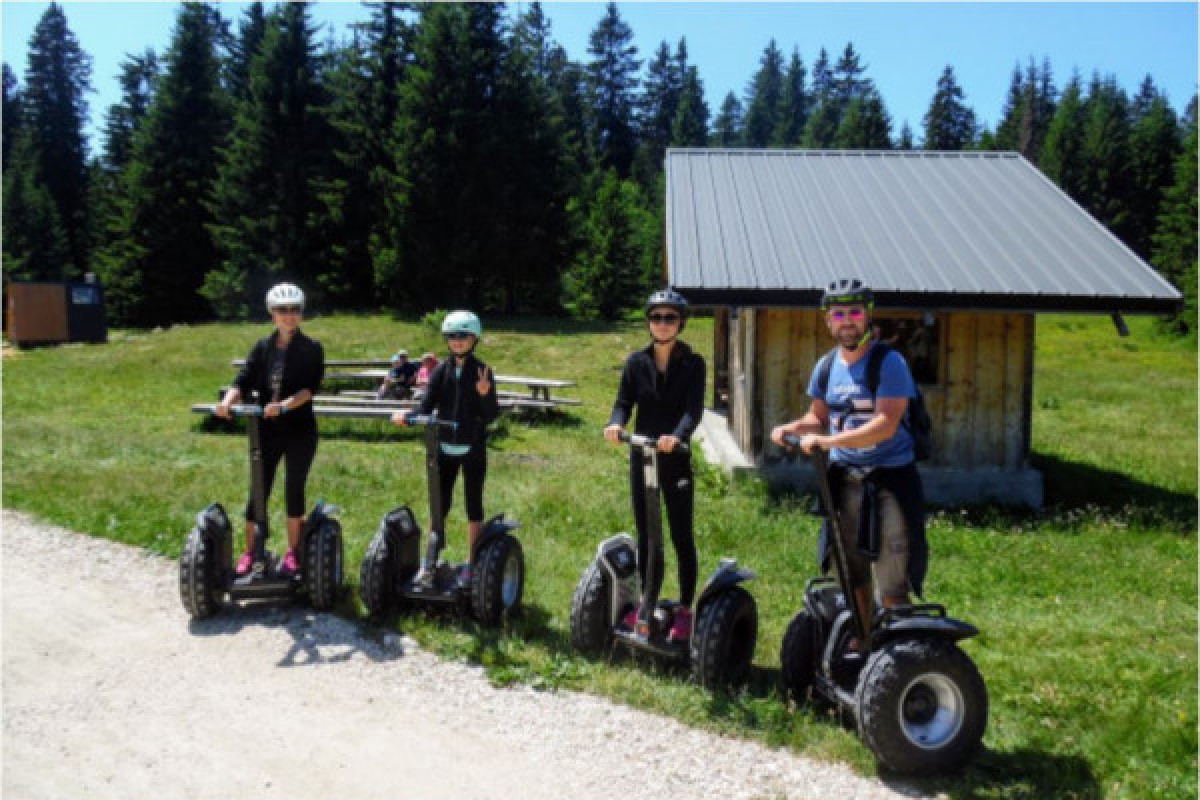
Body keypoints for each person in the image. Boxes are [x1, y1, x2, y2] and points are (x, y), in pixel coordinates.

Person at [770, 278, 927, 644]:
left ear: (868, 316)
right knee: (850, 571)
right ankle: (861, 640)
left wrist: (828, 441)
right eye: (838, 313)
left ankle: (896, 654)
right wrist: (790, 428)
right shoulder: (826, 367)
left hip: (889, 481)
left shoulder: (889, 363)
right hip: (844, 481)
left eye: (854, 312)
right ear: (828, 320)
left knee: (891, 575)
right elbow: (819, 417)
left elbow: (885, 425)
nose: (846, 321)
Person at [604, 289, 705, 642]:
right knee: (648, 533)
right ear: (649, 321)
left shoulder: (693, 364)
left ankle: (686, 608)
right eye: (657, 317)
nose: (663, 324)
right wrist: (616, 423)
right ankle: (647, 602)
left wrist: (676, 437)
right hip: (643, 455)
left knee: (680, 534)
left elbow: (693, 410)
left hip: (674, 458)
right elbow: (622, 403)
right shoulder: (636, 362)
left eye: (670, 318)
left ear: (680, 323)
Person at [216, 282, 325, 577]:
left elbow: (309, 389)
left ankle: (293, 552)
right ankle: (251, 552)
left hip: (300, 430)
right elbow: (243, 379)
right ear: (272, 314)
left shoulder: (312, 348)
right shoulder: (262, 348)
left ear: (301, 313)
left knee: (293, 489)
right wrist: (228, 400)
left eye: (294, 310)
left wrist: (285, 405)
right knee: (258, 490)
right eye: (282, 310)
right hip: (267, 431)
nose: (288, 316)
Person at [392, 311, 498, 587]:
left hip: (472, 447)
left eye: (463, 336)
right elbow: (427, 404)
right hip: (444, 446)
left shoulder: (482, 371)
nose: (457, 341)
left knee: (473, 505)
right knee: (440, 504)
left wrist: (485, 395)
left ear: (474, 338)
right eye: (452, 336)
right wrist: (409, 415)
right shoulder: (441, 370)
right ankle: (431, 560)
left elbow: (491, 416)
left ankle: (473, 564)